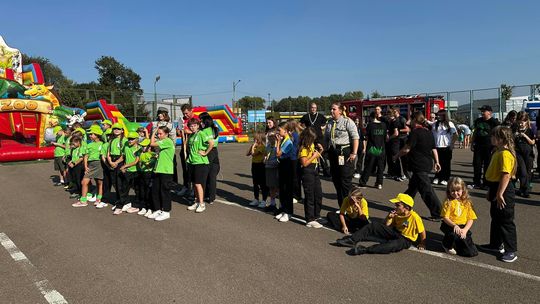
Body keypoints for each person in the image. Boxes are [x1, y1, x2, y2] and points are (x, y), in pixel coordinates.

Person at [335, 193, 426, 255]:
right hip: (395, 232)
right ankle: (351, 240)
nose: (395, 207)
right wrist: (389, 218)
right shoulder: (397, 214)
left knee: (392, 245)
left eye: (398, 205)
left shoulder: (415, 217)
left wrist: (422, 243)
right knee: (373, 225)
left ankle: (365, 250)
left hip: (406, 239)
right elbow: (386, 226)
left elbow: (422, 232)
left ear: (406, 207)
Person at [478, 126, 518, 263]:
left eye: (493, 136)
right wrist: (492, 190)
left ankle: (511, 250)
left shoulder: (505, 154)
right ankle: (495, 244)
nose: (491, 138)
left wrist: (500, 193)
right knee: (496, 217)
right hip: (496, 186)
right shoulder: (497, 151)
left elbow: (505, 175)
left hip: (504, 189)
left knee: (506, 220)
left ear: (501, 139)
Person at [396, 111, 442, 221]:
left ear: (415, 120)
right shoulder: (428, 132)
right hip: (426, 163)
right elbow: (433, 149)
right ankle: (403, 205)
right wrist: (437, 162)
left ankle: (438, 213)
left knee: (426, 190)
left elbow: (407, 148)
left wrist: (396, 155)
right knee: (412, 188)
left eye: (410, 120)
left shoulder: (415, 133)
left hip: (418, 165)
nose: (408, 122)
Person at [324, 102, 359, 207]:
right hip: (333, 153)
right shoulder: (329, 123)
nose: (331, 111)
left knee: (345, 180)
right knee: (336, 179)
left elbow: (355, 137)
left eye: (334, 109)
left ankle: (348, 206)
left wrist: (354, 153)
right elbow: (326, 138)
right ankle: (342, 205)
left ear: (340, 111)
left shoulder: (347, 122)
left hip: (344, 153)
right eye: (331, 109)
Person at [440, 177, 479, 257]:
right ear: (449, 191)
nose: (455, 193)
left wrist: (465, 230)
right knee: (453, 234)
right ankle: (446, 244)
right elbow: (445, 217)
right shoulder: (448, 202)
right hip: (450, 225)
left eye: (458, 191)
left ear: (463, 190)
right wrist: (454, 225)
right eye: (453, 191)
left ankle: (457, 243)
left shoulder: (467, 202)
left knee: (471, 252)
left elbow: (470, 218)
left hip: (462, 226)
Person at [298, 127, 324, 228]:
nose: (314, 140)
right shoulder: (303, 148)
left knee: (318, 194)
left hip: (315, 170)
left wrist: (320, 151)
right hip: (307, 171)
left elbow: (315, 156)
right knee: (310, 196)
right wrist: (314, 156)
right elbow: (304, 163)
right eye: (312, 138)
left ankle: (316, 215)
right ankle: (310, 219)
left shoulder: (312, 145)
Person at [148, 126, 175, 221]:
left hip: (166, 171)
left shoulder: (167, 141)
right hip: (158, 169)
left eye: (160, 134)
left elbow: (151, 143)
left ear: (166, 134)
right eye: (158, 134)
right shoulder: (162, 142)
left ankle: (166, 211)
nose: (158, 135)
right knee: (155, 190)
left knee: (165, 191)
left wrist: (154, 132)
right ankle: (157, 209)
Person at [186, 118, 212, 213]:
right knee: (194, 183)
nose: (192, 128)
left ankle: (202, 203)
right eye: (191, 126)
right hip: (192, 162)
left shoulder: (201, 133)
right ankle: (196, 202)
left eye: (194, 125)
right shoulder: (192, 135)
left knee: (198, 183)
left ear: (198, 125)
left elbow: (211, 143)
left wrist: (205, 153)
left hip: (200, 162)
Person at [471, 105, 500, 189]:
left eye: (484, 111)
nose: (482, 113)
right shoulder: (478, 121)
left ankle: (486, 183)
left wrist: (496, 146)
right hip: (478, 146)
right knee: (477, 165)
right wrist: (472, 143)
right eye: (481, 111)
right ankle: (476, 182)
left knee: (488, 165)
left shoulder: (494, 122)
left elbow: (498, 135)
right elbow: (475, 132)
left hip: (489, 147)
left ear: (490, 112)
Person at [359, 111, 387, 189]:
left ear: (371, 118)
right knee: (380, 167)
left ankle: (363, 182)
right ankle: (379, 183)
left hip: (372, 149)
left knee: (368, 166)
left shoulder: (370, 125)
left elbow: (366, 136)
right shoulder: (384, 125)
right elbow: (385, 137)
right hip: (381, 149)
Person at [300, 103, 329, 176]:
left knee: (322, 155)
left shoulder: (320, 116)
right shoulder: (306, 116)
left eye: (315, 108)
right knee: (311, 154)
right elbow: (299, 124)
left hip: (319, 138)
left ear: (316, 108)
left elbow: (326, 123)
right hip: (309, 138)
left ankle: (326, 171)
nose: (313, 109)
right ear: (310, 108)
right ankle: (316, 170)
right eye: (312, 107)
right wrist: (304, 130)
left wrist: (322, 128)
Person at [176, 104, 199, 196]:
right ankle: (186, 186)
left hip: (193, 149)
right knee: (185, 168)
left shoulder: (197, 119)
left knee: (193, 169)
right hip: (184, 147)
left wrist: (188, 131)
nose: (185, 115)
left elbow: (199, 132)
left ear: (191, 110)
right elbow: (178, 131)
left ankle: (194, 188)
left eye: (186, 113)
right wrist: (179, 131)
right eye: (183, 113)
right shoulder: (182, 120)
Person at [275, 122, 294, 223]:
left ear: (285, 131)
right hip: (282, 165)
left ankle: (288, 212)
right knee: (282, 189)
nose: (278, 132)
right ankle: (283, 210)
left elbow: (278, 154)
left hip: (287, 166)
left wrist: (277, 142)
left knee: (287, 190)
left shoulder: (288, 142)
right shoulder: (284, 140)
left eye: (280, 130)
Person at [431, 109, 457, 185]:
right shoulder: (435, 124)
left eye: (440, 115)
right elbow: (432, 134)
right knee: (437, 162)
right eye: (438, 115)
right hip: (437, 147)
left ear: (444, 116)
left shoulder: (450, 124)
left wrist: (452, 144)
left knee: (446, 164)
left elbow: (455, 135)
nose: (438, 117)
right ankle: (437, 177)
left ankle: (445, 178)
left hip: (446, 147)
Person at [513, 111, 535, 198]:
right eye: (519, 121)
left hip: (528, 153)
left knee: (528, 172)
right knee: (523, 171)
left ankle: (523, 189)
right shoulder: (514, 128)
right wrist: (515, 135)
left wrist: (524, 136)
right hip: (518, 152)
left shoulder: (530, 129)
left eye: (523, 121)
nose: (521, 123)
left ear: (526, 121)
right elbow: (511, 140)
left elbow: (532, 142)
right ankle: (525, 191)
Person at [199, 112, 220, 204]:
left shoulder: (203, 131)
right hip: (215, 152)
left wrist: (204, 153)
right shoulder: (215, 129)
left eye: (201, 121)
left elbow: (209, 144)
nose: (200, 123)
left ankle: (204, 195)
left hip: (208, 152)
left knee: (205, 176)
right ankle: (212, 197)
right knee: (212, 176)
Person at [107, 123, 127, 208]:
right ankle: (118, 200)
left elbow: (124, 155)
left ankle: (122, 202)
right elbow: (108, 153)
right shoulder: (111, 140)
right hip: (112, 160)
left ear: (122, 130)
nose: (116, 130)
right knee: (114, 182)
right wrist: (110, 162)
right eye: (114, 128)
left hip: (119, 161)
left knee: (120, 183)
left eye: (118, 129)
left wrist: (116, 162)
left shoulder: (124, 140)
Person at [247, 132, 268, 207]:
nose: (254, 139)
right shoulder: (255, 146)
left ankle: (264, 200)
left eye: (255, 138)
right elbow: (247, 154)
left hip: (261, 165)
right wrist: (252, 146)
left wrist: (253, 147)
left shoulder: (262, 146)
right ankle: (256, 199)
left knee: (262, 184)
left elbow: (253, 154)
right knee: (255, 183)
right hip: (254, 165)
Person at [136, 139, 156, 217]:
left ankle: (150, 208)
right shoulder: (141, 154)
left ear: (149, 146)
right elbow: (139, 162)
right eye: (142, 146)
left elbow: (152, 164)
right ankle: (144, 207)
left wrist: (147, 163)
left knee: (148, 192)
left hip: (149, 174)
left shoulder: (153, 154)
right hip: (142, 173)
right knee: (142, 190)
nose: (143, 148)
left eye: (145, 146)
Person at [264, 123, 279, 212]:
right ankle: (272, 203)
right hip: (268, 167)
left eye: (272, 136)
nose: (270, 138)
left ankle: (281, 206)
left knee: (277, 187)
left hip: (275, 168)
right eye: (269, 137)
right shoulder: (268, 146)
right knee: (271, 187)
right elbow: (266, 155)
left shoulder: (278, 146)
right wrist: (265, 158)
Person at [287, 119, 303, 203]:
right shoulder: (292, 134)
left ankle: (297, 196)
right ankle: (294, 194)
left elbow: (295, 147)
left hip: (294, 158)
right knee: (293, 177)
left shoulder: (295, 135)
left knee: (295, 178)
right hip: (291, 158)